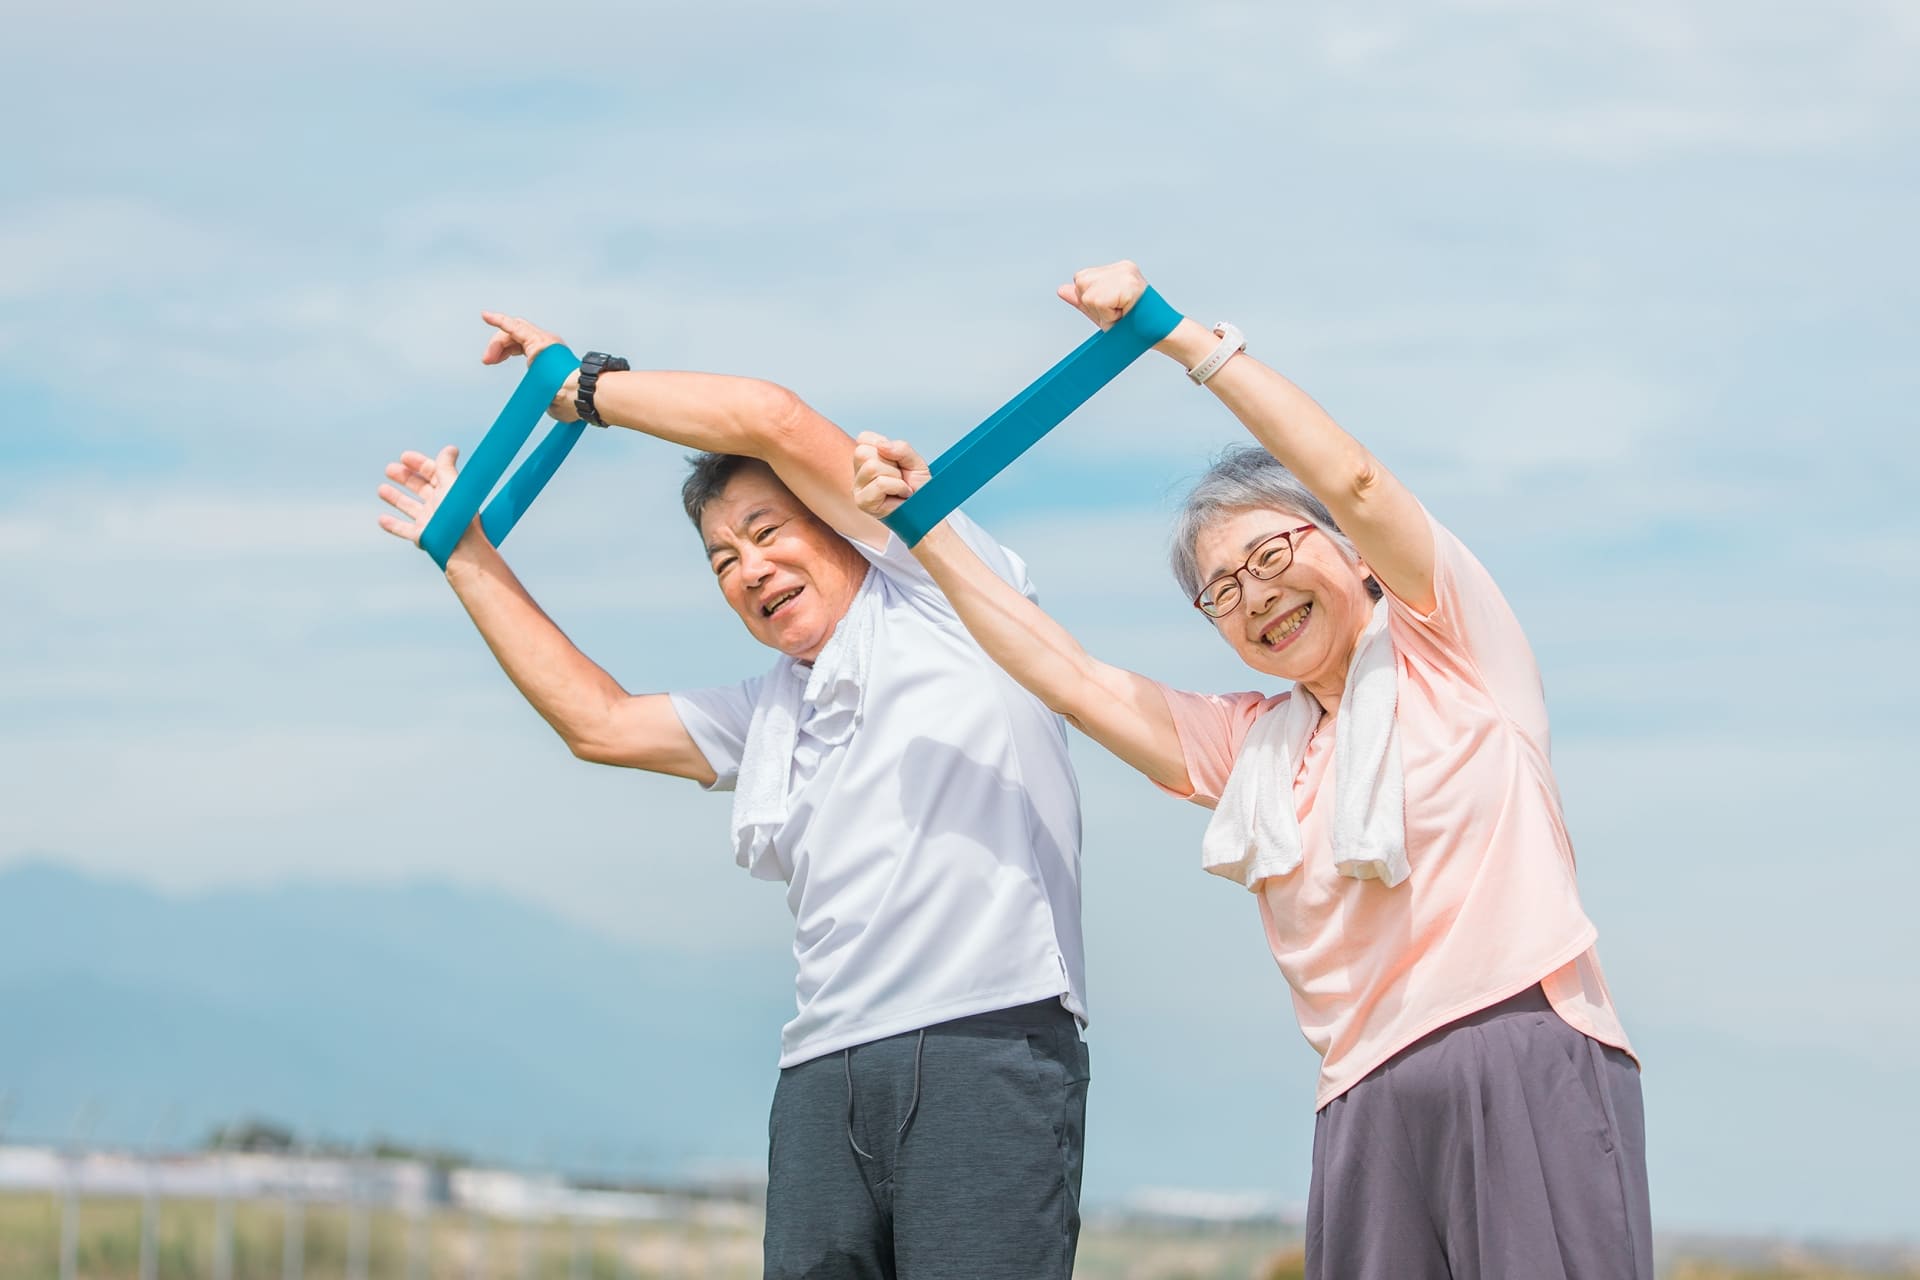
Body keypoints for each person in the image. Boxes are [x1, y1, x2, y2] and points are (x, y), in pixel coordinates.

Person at [852, 261, 1652, 1280]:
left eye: (1272, 554)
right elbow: (1074, 677)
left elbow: (1357, 479)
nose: (1256, 595)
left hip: (1520, 1046)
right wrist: (925, 528)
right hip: (1360, 1095)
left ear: (1348, 549)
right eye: (1222, 590)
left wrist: (1172, 334)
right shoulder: (1253, 750)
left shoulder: (1452, 648)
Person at [375, 315, 1091, 1279]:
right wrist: (462, 550)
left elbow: (770, 418)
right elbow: (602, 722)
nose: (749, 569)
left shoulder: (945, 592)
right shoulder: (770, 711)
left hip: (983, 1039)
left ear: (839, 523)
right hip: (821, 1072)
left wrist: (581, 392)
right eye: (722, 560)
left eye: (766, 533)